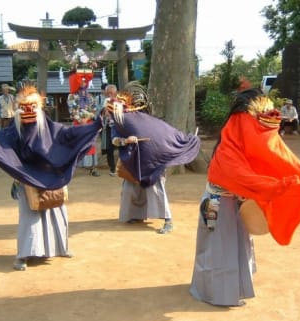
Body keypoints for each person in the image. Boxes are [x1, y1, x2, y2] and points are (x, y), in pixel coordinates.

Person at [190, 88, 300, 307]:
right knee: (216, 247)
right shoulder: (228, 149)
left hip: (237, 203)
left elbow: (275, 158)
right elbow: (243, 177)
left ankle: (231, 288)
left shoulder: (241, 138)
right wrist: (277, 186)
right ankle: (214, 293)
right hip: (216, 203)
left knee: (236, 246)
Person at [0, 82, 104, 270]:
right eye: (23, 107)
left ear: (40, 107)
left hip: (52, 177)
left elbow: (71, 134)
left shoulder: (52, 128)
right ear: (17, 108)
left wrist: (97, 124)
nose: (28, 110)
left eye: (32, 106)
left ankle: (61, 248)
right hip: (27, 180)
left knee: (57, 213)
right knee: (29, 217)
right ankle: (24, 254)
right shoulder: (12, 131)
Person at [108, 82, 200, 234]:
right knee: (130, 188)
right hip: (133, 159)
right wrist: (126, 140)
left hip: (152, 159)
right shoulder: (119, 121)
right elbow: (114, 140)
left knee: (156, 188)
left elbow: (164, 133)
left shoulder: (146, 119)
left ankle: (168, 220)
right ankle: (137, 215)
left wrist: (185, 140)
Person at [67, 78, 100, 176]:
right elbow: (71, 110)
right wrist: (80, 120)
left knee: (91, 145)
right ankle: (71, 169)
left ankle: (92, 168)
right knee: (77, 145)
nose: (83, 83)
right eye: (81, 81)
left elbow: (94, 109)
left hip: (89, 123)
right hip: (78, 124)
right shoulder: (72, 96)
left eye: (85, 81)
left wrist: (87, 118)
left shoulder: (90, 96)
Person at [100, 84, 117, 176]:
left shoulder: (118, 100)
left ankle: (114, 168)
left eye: (109, 92)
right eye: (107, 92)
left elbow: (106, 113)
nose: (107, 94)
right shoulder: (107, 100)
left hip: (116, 127)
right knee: (110, 149)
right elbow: (105, 113)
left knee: (112, 148)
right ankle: (113, 169)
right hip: (111, 127)